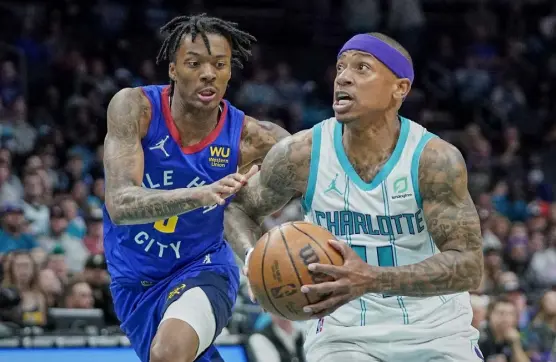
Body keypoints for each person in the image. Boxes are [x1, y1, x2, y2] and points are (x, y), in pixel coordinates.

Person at [225, 33, 485, 361]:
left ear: (400, 88)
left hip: (437, 332)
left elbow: (469, 266)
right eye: (340, 68)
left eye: (362, 68)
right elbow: (238, 211)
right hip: (342, 335)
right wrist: (254, 261)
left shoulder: (433, 160)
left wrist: (372, 279)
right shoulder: (300, 155)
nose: (344, 77)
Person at [103, 14, 288, 362]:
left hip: (203, 267)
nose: (208, 73)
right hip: (133, 283)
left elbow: (314, 164)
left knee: (169, 353)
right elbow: (119, 203)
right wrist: (199, 194)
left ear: (229, 72)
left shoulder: (252, 137)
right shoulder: (136, 108)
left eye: (219, 64)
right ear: (173, 69)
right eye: (194, 63)